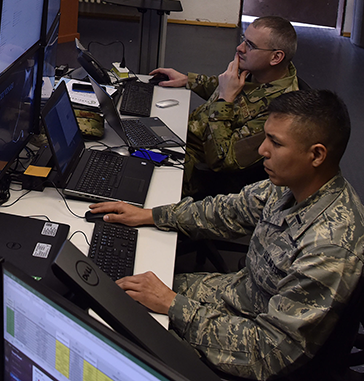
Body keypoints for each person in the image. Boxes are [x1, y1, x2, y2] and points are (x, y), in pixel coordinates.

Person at [88, 90, 364, 380]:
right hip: (239, 295)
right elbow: (229, 211)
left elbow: (267, 353)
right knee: (123, 289)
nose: (262, 151)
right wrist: (151, 215)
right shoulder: (292, 183)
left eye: (276, 142)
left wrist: (172, 304)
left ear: (317, 155)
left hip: (253, 344)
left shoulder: (329, 245)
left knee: (121, 339)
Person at [150, 16, 299, 197]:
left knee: (126, 166)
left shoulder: (279, 113)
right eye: (243, 39)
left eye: (250, 45)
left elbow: (222, 160)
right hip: (184, 137)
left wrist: (225, 100)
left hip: (192, 168)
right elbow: (228, 85)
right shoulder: (261, 72)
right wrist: (188, 80)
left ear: (276, 57)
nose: (240, 48)